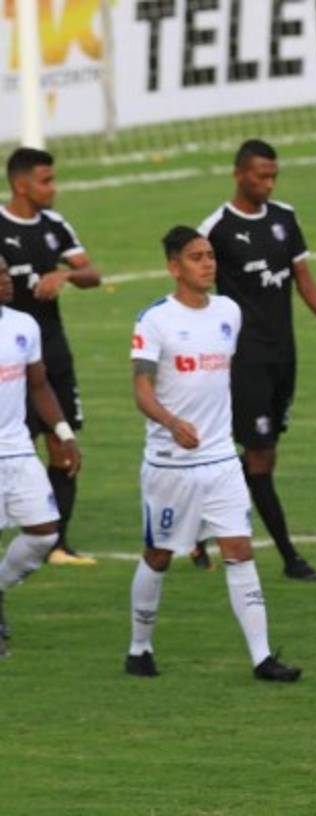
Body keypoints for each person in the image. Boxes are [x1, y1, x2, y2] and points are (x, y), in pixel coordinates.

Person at [125, 226, 301, 682]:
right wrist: (172, 423)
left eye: (209, 256)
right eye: (196, 257)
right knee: (159, 554)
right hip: (170, 465)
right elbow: (141, 389)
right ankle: (138, 648)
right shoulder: (155, 321)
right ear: (173, 267)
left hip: (221, 460)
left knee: (240, 551)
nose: (208, 263)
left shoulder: (228, 312)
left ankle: (263, 658)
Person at [197, 139, 316, 581]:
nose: (267, 183)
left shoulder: (285, 219)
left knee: (259, 451)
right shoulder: (217, 228)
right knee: (259, 454)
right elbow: (194, 286)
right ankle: (289, 557)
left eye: (273, 176)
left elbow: (304, 279)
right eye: (260, 175)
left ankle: (195, 526)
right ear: (239, 174)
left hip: (284, 354)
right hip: (243, 358)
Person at [0, 147, 100, 566]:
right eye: (45, 180)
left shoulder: (54, 225)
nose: (52, 188)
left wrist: (66, 274)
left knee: (62, 444)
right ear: (20, 184)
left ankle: (57, 542)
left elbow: (92, 273)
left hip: (51, 348)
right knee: (20, 441)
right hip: (10, 355)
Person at [0, 260, 81, 656]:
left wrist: (64, 435)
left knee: (45, 532)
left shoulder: (22, 326)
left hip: (17, 449)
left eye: (6, 272)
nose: (7, 280)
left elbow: (39, 384)